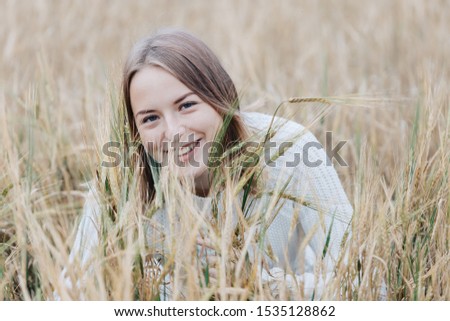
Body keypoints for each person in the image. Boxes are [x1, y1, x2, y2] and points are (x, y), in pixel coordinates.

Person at [63, 29, 353, 300]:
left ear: (220, 97)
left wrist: (259, 284)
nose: (174, 132)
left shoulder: (291, 149)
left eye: (186, 105)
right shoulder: (120, 181)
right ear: (135, 131)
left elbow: (366, 285)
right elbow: (68, 297)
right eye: (150, 118)